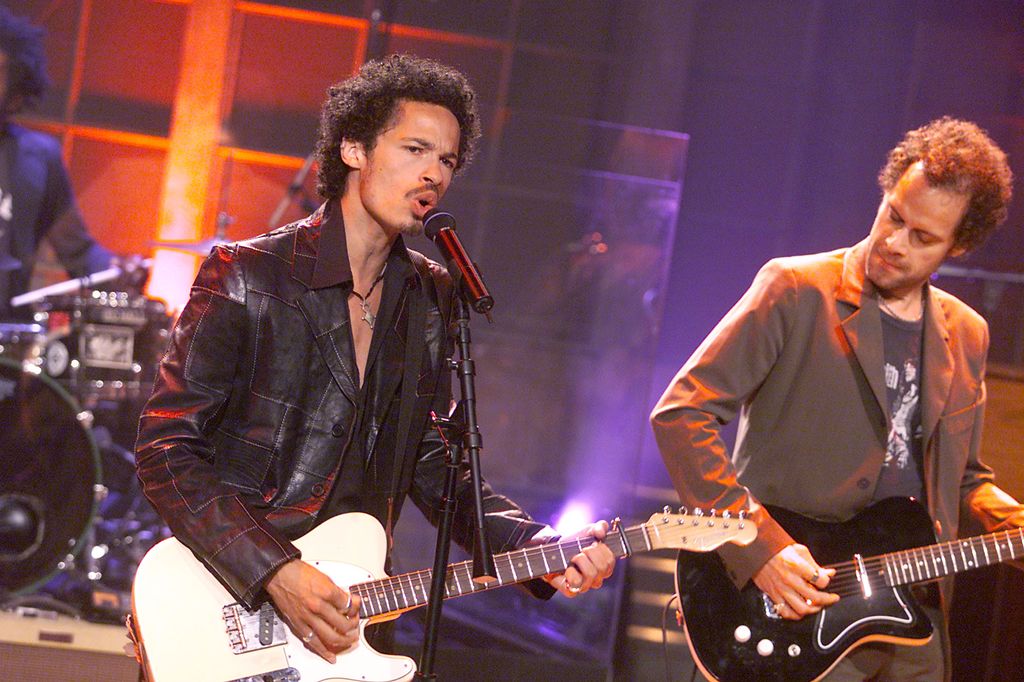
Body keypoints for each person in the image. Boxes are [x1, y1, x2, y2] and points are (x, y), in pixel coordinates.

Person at [135, 54, 615, 665]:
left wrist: (542, 546)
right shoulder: (248, 275)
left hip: (353, 617)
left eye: (446, 160)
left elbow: (438, 469)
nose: (433, 175)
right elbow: (166, 448)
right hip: (235, 603)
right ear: (354, 150)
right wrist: (275, 570)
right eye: (415, 149)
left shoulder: (431, 295)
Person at [651, 117, 1024, 680]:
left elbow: (963, 479)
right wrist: (759, 547)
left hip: (913, 620)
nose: (895, 243)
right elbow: (682, 414)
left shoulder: (967, 333)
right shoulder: (795, 288)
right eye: (893, 216)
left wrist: (1013, 521)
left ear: (960, 245)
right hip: (793, 609)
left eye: (923, 238)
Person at [0, 7, 112, 318]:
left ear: (17, 92)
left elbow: (79, 252)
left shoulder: (37, 157)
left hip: (6, 342)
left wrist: (119, 272)